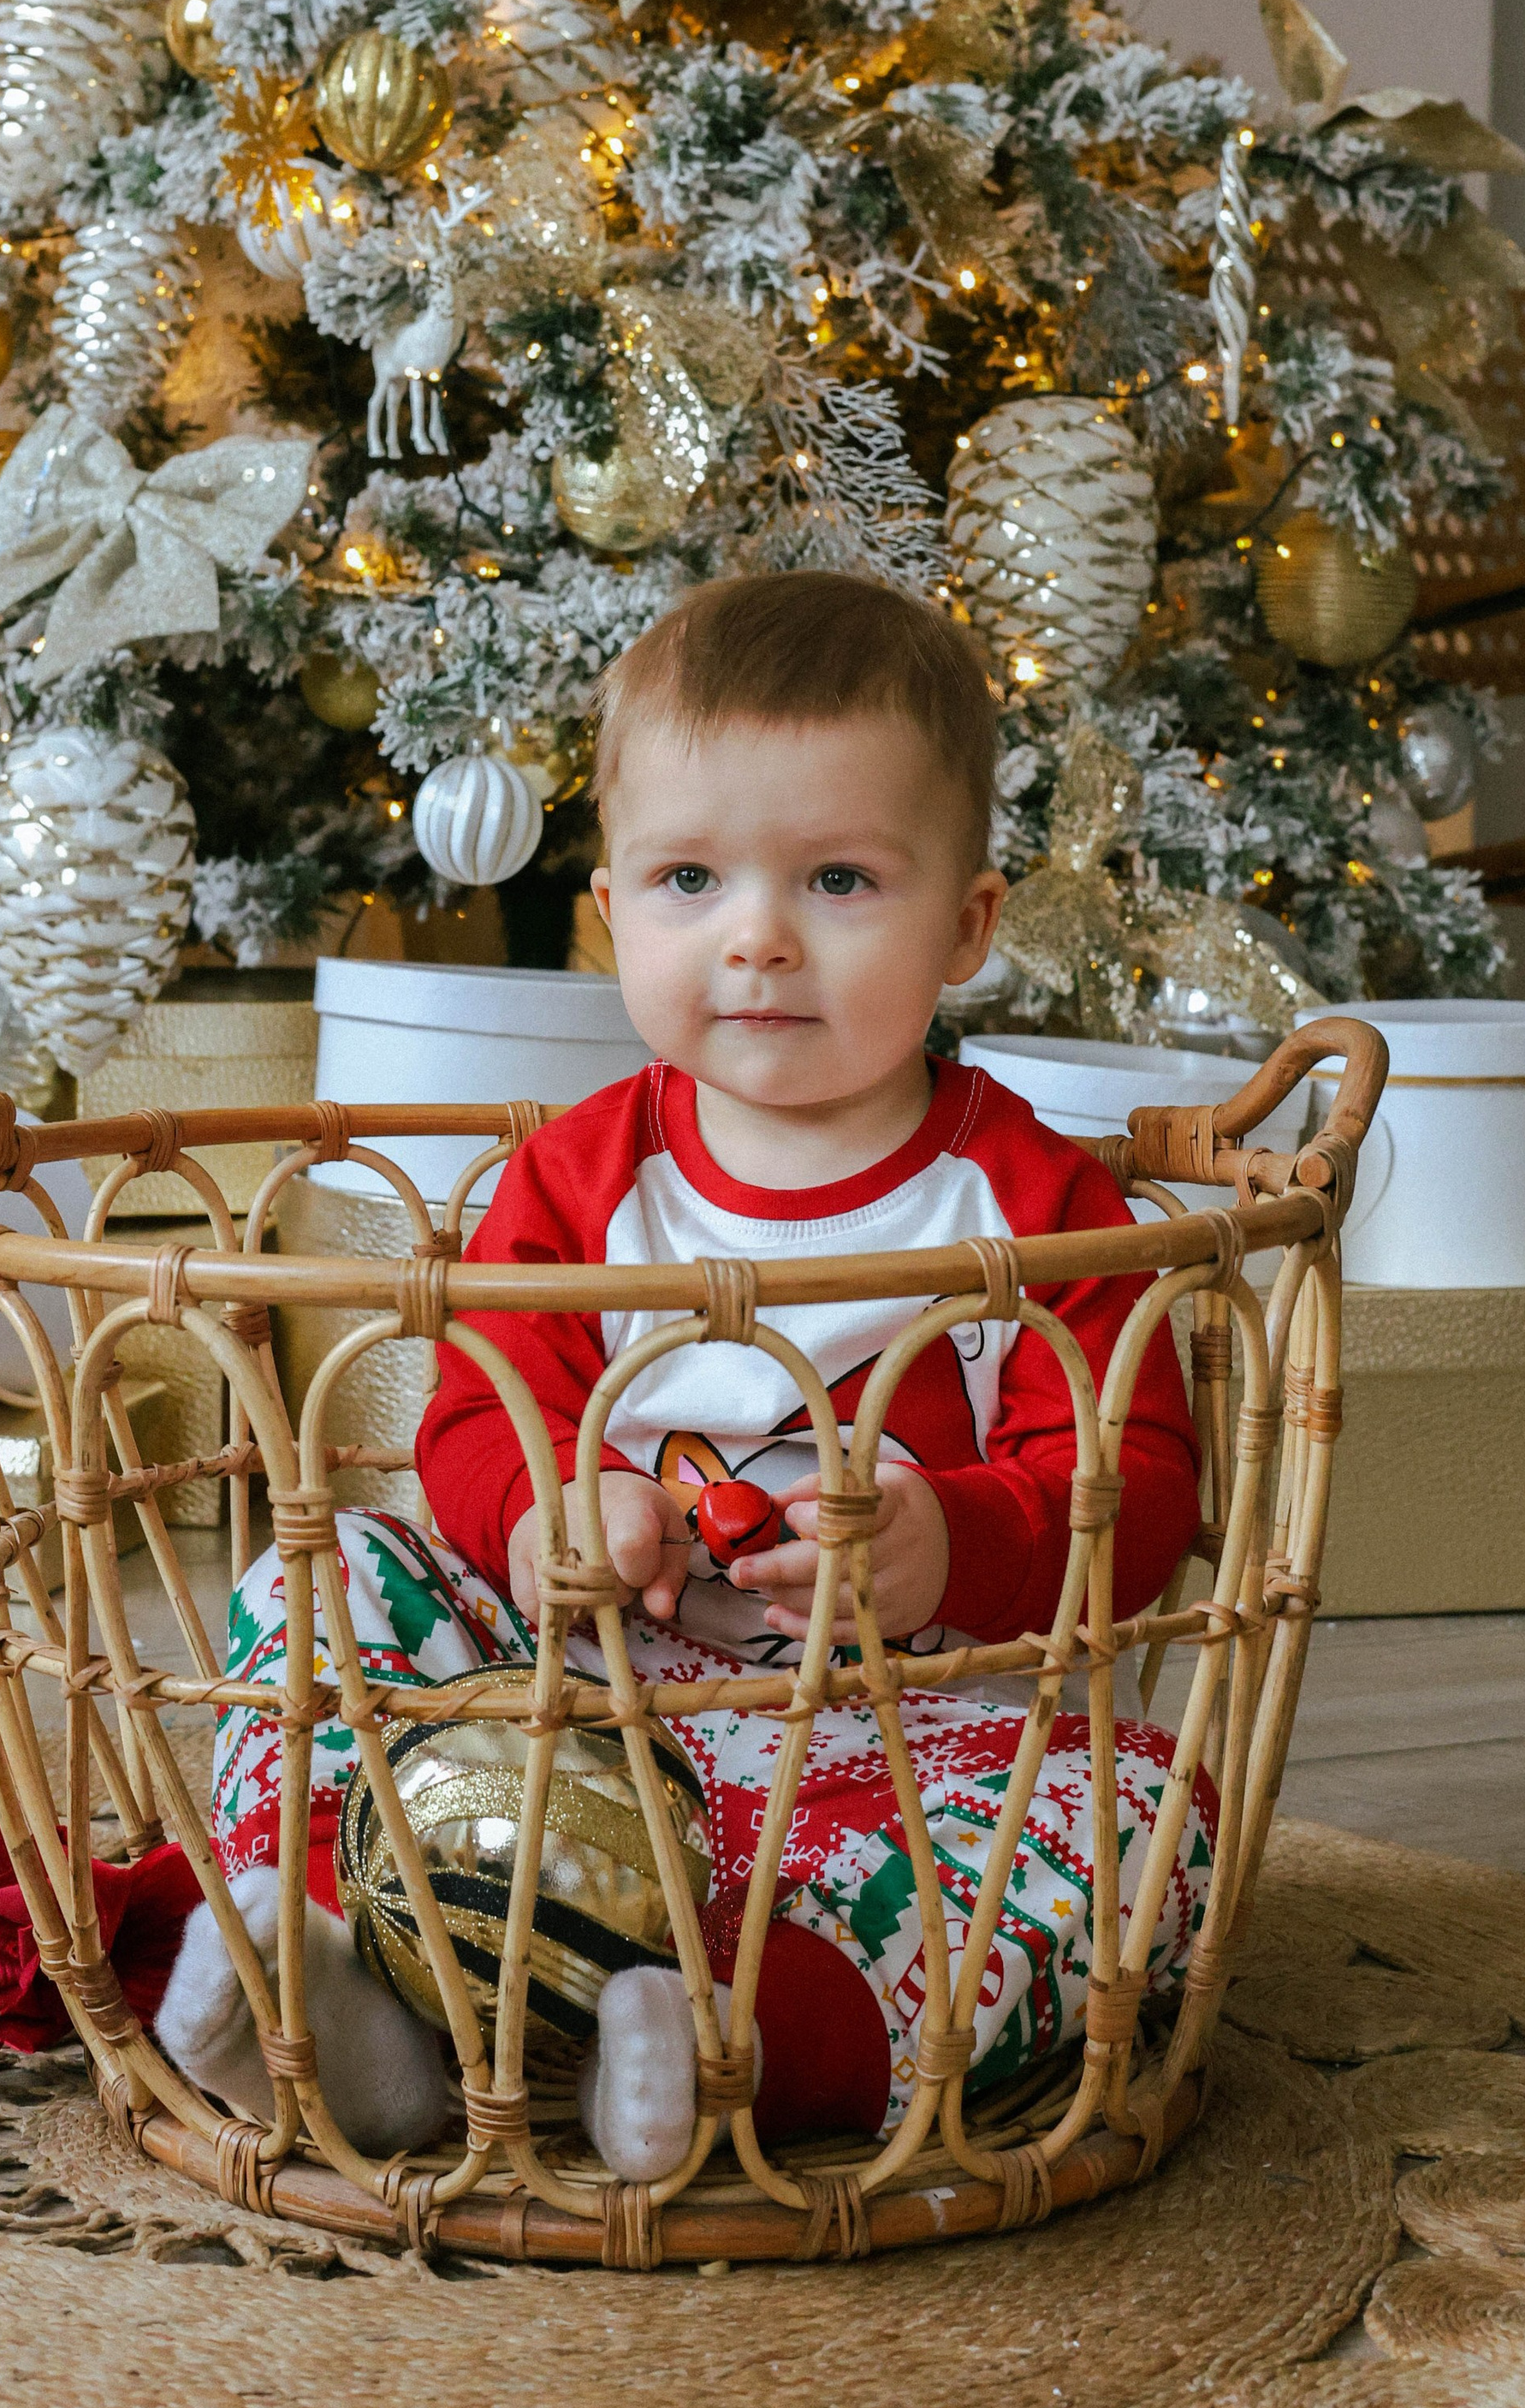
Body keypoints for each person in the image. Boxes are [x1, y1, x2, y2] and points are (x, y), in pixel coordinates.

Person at [169, 573, 1213, 2176]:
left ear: (967, 926)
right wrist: (546, 1512)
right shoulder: (577, 1180)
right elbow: (474, 1413)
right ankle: (341, 1963)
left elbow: (1136, 1486)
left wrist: (959, 1540)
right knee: (324, 1575)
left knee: (1145, 1814)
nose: (759, 938)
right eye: (689, 879)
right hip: (563, 1712)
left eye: (841, 879)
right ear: (613, 911)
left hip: (907, 1748)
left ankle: (736, 2034)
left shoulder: (1035, 1201)